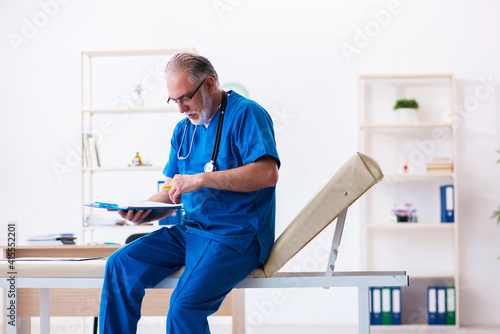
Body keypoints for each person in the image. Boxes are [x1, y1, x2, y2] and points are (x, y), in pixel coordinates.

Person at [99, 52, 280, 333]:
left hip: (236, 236)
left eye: (185, 98)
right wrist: (142, 209)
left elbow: (268, 174)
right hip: (191, 232)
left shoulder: (246, 114)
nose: (181, 109)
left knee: (183, 306)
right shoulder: (184, 130)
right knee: (120, 264)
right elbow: (173, 191)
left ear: (209, 84)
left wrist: (201, 180)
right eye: (175, 101)